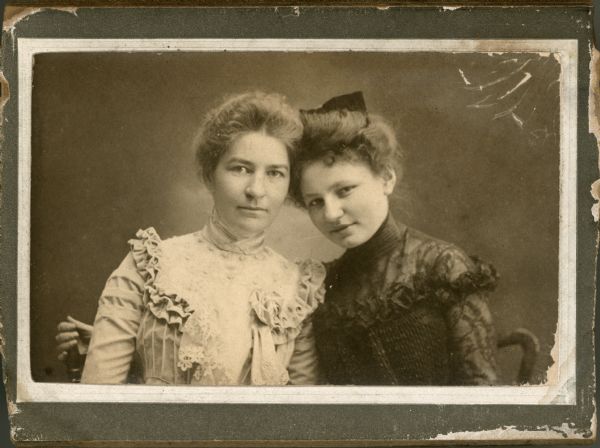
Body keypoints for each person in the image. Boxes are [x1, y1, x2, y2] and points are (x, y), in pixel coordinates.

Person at [56, 92, 325, 385]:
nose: (256, 190)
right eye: (240, 169)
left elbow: (301, 408)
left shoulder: (297, 287)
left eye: (275, 173)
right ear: (210, 175)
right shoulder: (150, 265)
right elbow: (101, 398)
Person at [289, 91, 499, 385]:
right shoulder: (322, 288)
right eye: (315, 202)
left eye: (344, 190)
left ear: (386, 178)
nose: (332, 213)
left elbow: (483, 393)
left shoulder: (440, 265)